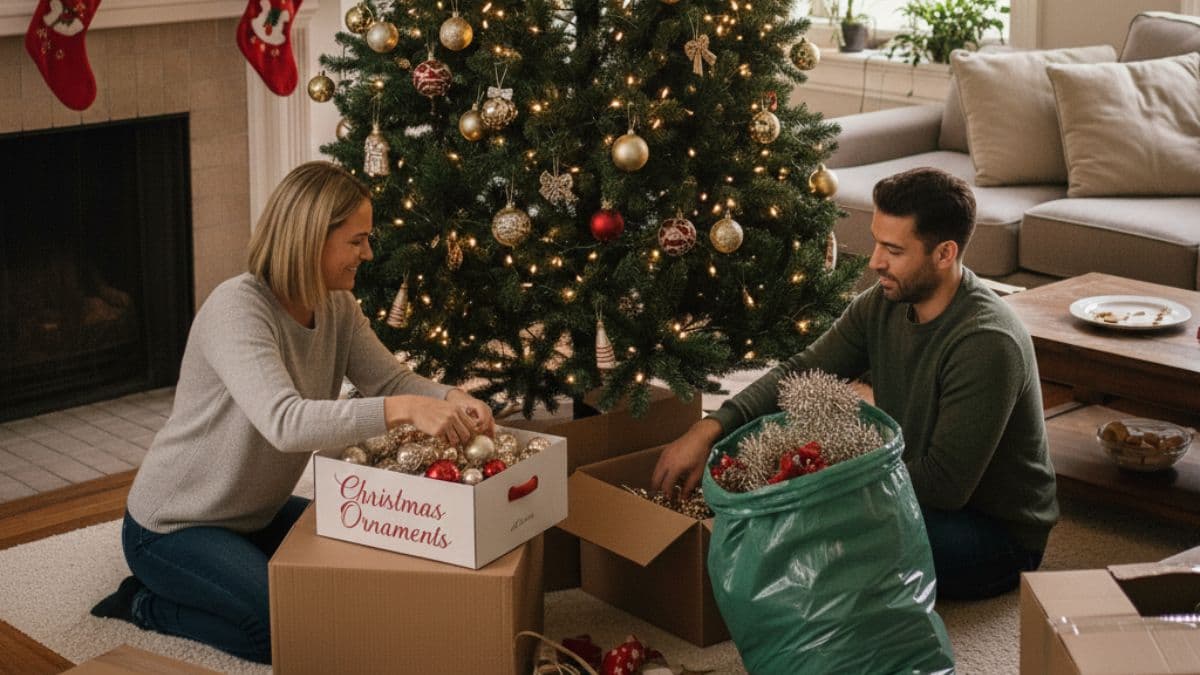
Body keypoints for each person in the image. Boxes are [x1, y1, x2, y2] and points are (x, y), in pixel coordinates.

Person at [90, 161, 495, 663]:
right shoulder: (237, 309)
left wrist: (450, 397)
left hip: (256, 513)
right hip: (175, 525)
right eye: (357, 241)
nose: (368, 254)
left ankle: (224, 575)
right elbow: (285, 422)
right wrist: (404, 409)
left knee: (371, 574)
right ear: (310, 240)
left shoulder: (337, 306)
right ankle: (144, 604)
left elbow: (390, 380)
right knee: (284, 633)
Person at [651, 166, 1058, 600]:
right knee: (783, 523)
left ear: (944, 254)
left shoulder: (986, 342)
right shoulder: (883, 303)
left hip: (992, 532)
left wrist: (814, 485)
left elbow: (943, 487)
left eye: (893, 250)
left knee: (809, 539)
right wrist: (710, 428)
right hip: (911, 489)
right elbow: (801, 371)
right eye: (877, 242)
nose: (874, 261)